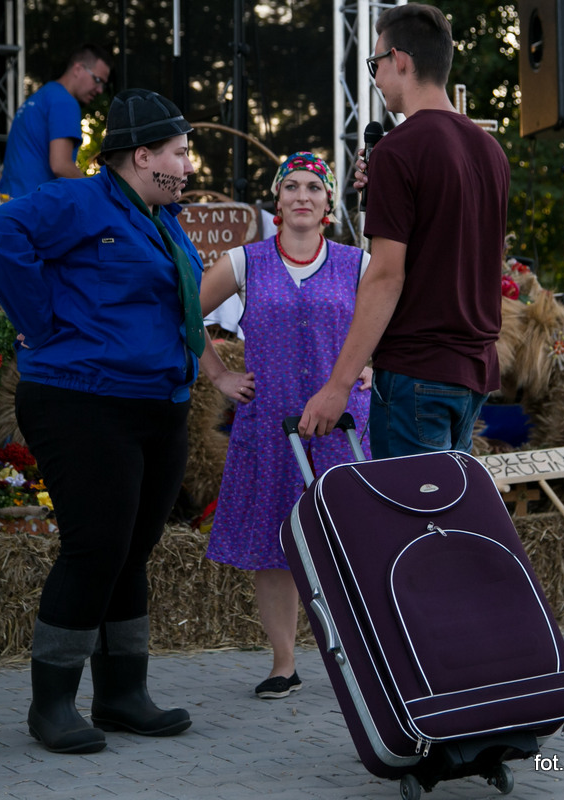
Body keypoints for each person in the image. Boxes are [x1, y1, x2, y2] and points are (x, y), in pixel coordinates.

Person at [0, 88, 204, 755]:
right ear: (142, 155)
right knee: (95, 547)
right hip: (82, 399)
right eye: (180, 152)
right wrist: (41, 322)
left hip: (157, 405)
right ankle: (52, 704)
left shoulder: (164, 218)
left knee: (132, 551)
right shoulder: (80, 201)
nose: (188, 165)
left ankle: (122, 695)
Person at [298, 3, 509, 458]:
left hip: (416, 372)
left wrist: (338, 386)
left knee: (412, 524)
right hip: (472, 370)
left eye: (375, 63)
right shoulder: (491, 152)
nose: (374, 76)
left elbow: (387, 276)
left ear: (401, 60)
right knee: (447, 522)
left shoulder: (399, 149)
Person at [199, 152, 372, 699]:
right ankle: (283, 664)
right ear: (276, 200)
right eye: (291, 186)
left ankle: (364, 659)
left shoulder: (357, 263)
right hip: (269, 429)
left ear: (328, 203)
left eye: (314, 189)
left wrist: (373, 362)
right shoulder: (246, 261)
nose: (302, 195)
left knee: (350, 543)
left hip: (341, 427)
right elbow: (180, 312)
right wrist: (220, 377)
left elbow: (398, 316)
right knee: (277, 546)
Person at [0, 44, 113, 197]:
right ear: (78, 69)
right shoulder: (64, 101)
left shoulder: (43, 95)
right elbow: (61, 165)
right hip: (34, 208)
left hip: (10, 203)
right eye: (97, 80)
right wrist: (97, 195)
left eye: (103, 85)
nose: (99, 90)